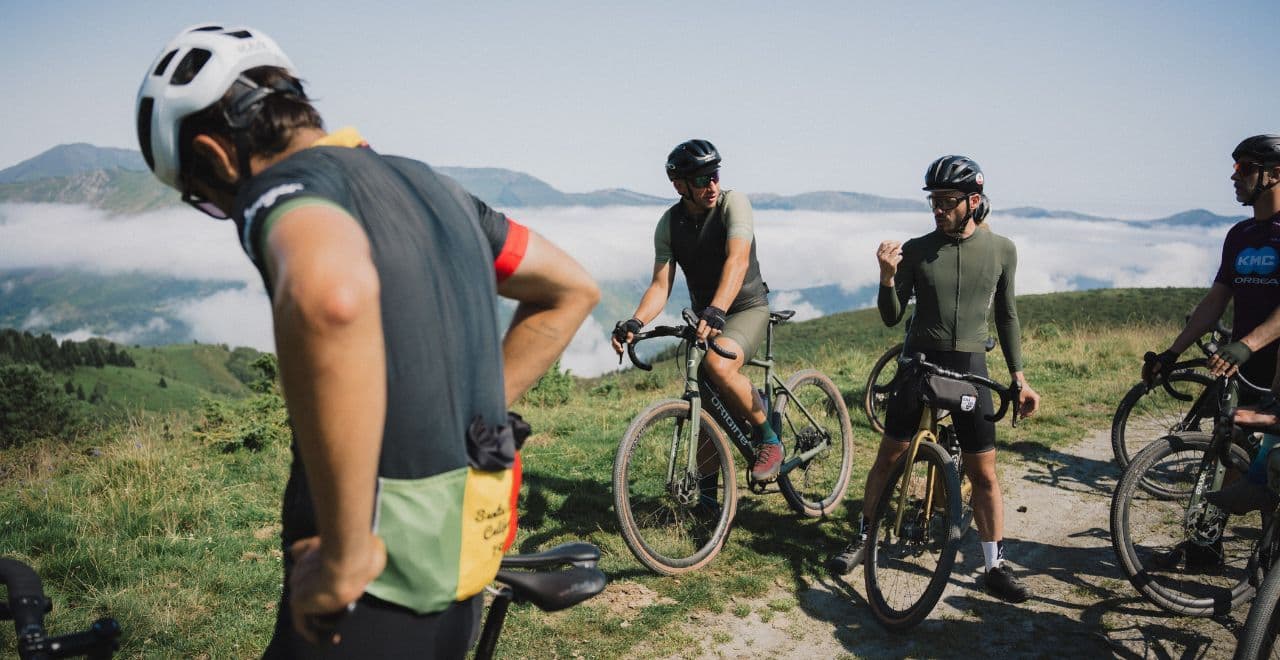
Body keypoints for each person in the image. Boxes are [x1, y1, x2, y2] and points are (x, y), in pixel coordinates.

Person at [135, 25, 599, 658]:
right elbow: (571, 290)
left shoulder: (284, 188)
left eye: (207, 200)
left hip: (373, 596)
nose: (225, 210)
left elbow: (331, 300)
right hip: (465, 560)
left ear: (217, 155)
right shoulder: (432, 186)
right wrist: (465, 413)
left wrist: (347, 555)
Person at [827, 155, 1042, 603]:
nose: (938, 209)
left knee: (984, 472)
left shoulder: (1002, 250)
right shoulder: (917, 249)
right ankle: (864, 539)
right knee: (889, 457)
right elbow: (891, 318)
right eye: (934, 201)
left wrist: (1019, 378)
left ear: (974, 202)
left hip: (970, 368)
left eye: (947, 201)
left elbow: (1007, 317)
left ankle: (994, 564)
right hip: (919, 362)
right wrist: (887, 278)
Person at [610, 140, 780, 481]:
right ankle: (706, 502)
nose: (712, 185)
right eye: (702, 180)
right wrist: (635, 320)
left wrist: (717, 308)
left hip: (746, 307)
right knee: (705, 399)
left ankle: (769, 439)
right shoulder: (669, 225)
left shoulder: (734, 204)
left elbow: (737, 259)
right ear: (680, 186)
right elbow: (660, 286)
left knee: (718, 364)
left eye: (715, 175)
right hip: (708, 317)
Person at [1143, 135, 1280, 518]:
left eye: (1246, 168)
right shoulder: (1240, 235)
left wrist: (1246, 344)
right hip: (1249, 366)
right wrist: (1173, 352)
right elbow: (1215, 301)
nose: (1234, 176)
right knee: (1231, 446)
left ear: (1276, 174)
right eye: (1235, 167)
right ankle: (1207, 542)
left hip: (1271, 366)